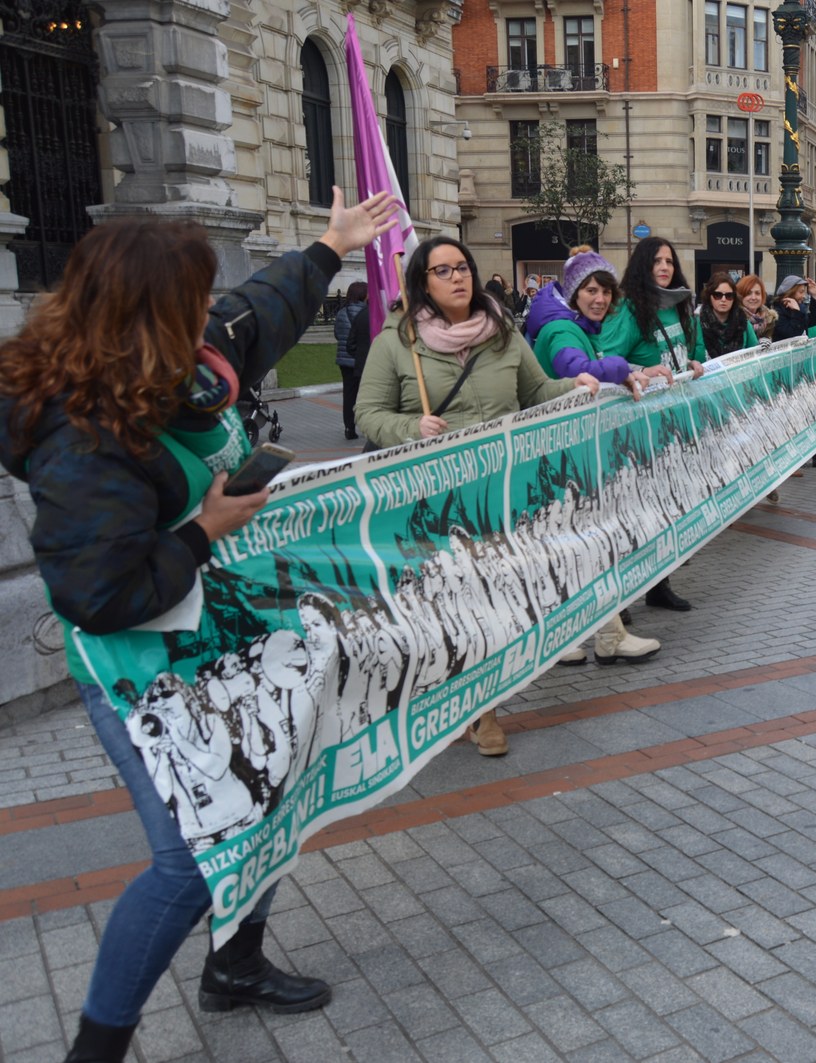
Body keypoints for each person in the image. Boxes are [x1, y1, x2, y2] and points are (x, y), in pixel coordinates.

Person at [0, 189, 401, 1062]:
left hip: (219, 636)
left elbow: (256, 313)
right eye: (189, 301)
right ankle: (96, 1050)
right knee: (189, 855)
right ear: (145, 317)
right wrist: (202, 530)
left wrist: (331, 247)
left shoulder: (188, 361)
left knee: (268, 795)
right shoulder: (82, 434)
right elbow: (95, 594)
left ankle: (237, 965)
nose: (206, 317)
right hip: (141, 663)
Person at [357, 235, 596, 754]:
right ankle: (444, 698)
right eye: (442, 271)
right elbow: (367, 414)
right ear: (422, 281)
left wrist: (575, 383)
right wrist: (410, 427)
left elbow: (536, 394)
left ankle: (482, 707)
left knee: (494, 601)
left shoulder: (503, 333)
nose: (457, 277)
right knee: (445, 606)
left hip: (500, 497)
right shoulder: (397, 342)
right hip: (431, 500)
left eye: (462, 267)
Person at [524, 247, 662, 665]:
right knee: (573, 546)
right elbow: (574, 367)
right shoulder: (560, 330)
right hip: (557, 456)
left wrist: (632, 370)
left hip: (573, 453)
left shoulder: (575, 325)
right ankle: (572, 637)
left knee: (587, 545)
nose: (600, 298)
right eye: (590, 290)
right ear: (572, 292)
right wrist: (621, 368)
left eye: (605, 291)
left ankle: (604, 634)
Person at [600, 236, 704, 611]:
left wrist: (693, 364)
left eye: (669, 261)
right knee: (632, 511)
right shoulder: (628, 310)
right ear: (643, 266)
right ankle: (619, 601)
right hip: (635, 427)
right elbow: (606, 360)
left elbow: (694, 353)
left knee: (665, 508)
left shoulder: (679, 306)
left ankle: (659, 585)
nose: (665, 267)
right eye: (657, 261)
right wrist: (642, 370)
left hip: (672, 425)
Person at [332, 282, 368, 440]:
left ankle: (349, 428)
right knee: (367, 395)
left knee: (349, 395)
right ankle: (368, 427)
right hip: (363, 360)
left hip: (344, 360)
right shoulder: (367, 313)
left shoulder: (341, 313)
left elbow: (337, 334)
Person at [698, 271, 758, 358]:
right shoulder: (696, 324)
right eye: (717, 295)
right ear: (709, 296)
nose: (723, 299)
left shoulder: (744, 324)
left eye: (729, 295)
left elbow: (755, 355)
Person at [738, 274, 778, 340]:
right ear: (740, 296)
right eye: (748, 293)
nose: (753, 297)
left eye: (757, 293)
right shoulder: (734, 318)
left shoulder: (769, 320)